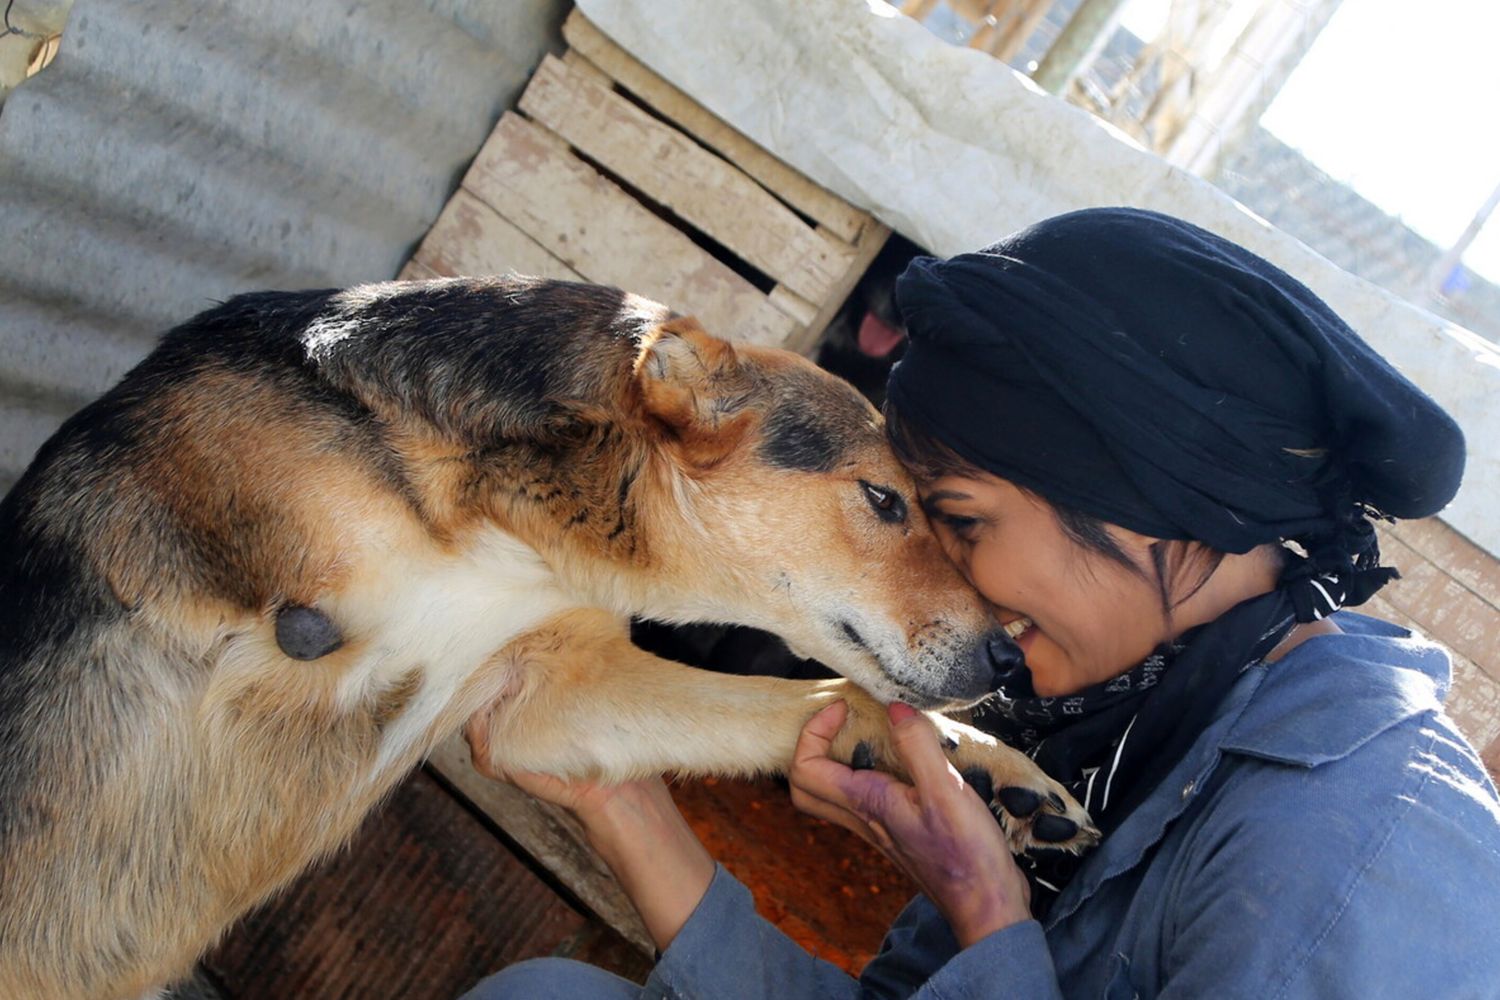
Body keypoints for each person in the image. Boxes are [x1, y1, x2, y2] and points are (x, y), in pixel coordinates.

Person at [461, 208, 1500, 999]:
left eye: (960, 521)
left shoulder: (1358, 861)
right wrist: (620, 800)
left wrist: (988, 912)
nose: (953, 592)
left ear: (1144, 506)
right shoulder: (1125, 719)